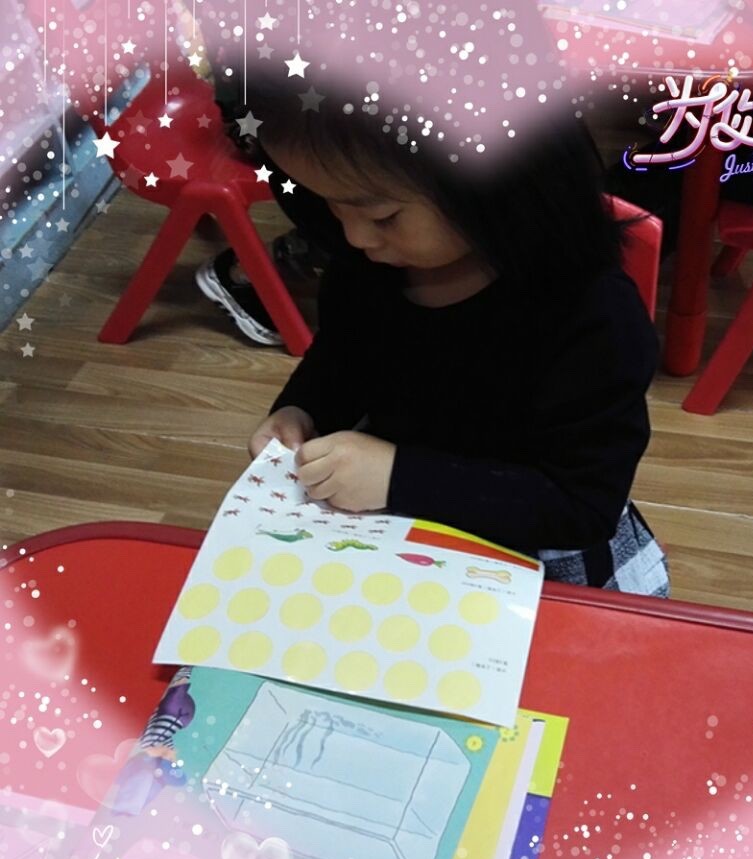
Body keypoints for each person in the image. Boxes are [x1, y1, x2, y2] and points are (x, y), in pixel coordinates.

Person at [244, 79, 669, 596]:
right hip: (394, 531)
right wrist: (302, 410)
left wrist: (400, 477)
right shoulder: (366, 270)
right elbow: (341, 358)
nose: (354, 237)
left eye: (382, 216)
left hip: (531, 549)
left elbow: (580, 504)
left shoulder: (593, 316)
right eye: (329, 205)